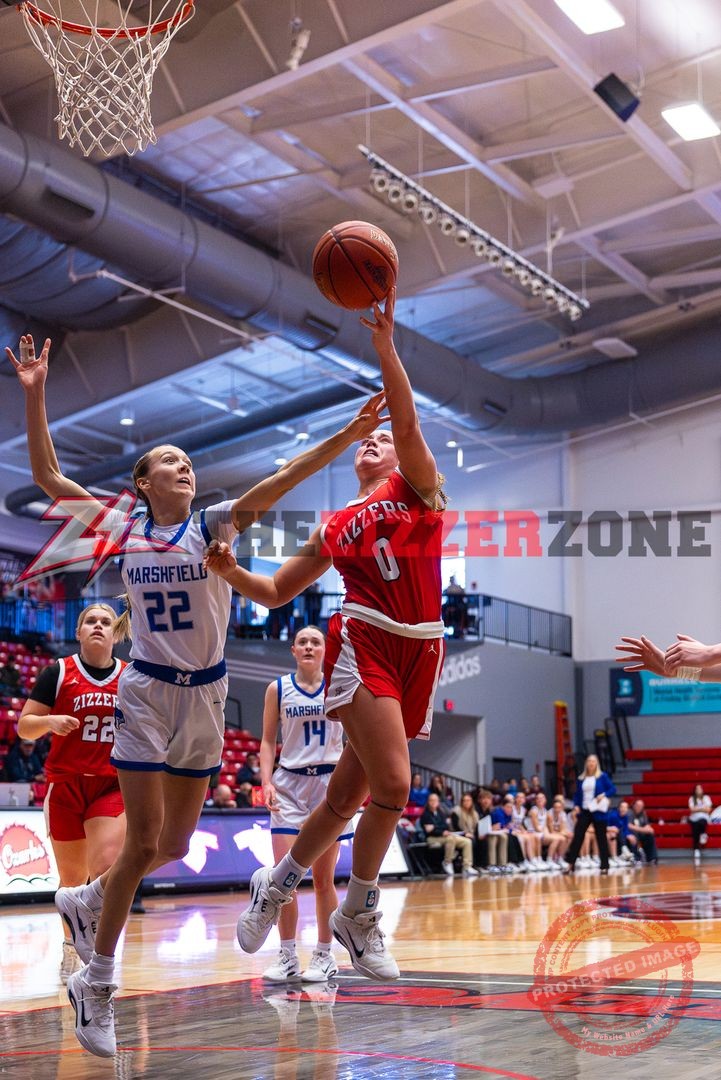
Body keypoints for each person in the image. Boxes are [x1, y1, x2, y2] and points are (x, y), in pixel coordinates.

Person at [8, 331, 387, 1058]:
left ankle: (90, 899)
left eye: (188, 461)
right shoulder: (124, 527)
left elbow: (284, 477)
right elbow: (49, 475)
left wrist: (346, 435)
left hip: (206, 698)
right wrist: (35, 393)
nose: (185, 466)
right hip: (147, 692)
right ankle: (97, 982)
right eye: (170, 461)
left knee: (175, 844)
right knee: (143, 839)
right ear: (143, 482)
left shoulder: (214, 523)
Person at [205, 287, 447, 982]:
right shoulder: (336, 524)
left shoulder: (418, 487)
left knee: (345, 797)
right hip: (364, 638)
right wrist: (228, 569)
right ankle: (358, 912)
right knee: (394, 785)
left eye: (383, 439)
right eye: (367, 441)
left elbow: (404, 418)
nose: (374, 441)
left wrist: (385, 348)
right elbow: (278, 590)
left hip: (422, 645)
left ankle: (275, 884)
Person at [16, 603, 125, 984]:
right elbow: (24, 727)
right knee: (72, 880)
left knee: (106, 866)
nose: (98, 626)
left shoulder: (130, 677)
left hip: (110, 784)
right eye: (90, 621)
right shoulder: (58, 672)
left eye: (106, 622)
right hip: (65, 784)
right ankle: (70, 947)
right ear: (78, 632)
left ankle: (102, 953)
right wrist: (49, 721)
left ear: (116, 633)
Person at [259, 624, 348, 984]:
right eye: (302, 642)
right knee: (283, 880)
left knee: (324, 880)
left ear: (325, 650)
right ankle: (287, 956)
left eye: (315, 642)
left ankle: (325, 955)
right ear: (293, 650)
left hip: (329, 785)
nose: (309, 646)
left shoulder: (339, 685)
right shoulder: (277, 689)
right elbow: (268, 740)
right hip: (289, 786)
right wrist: (266, 781)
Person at [564, 754, 616, 873]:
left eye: (593, 761)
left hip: (598, 810)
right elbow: (577, 795)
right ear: (586, 763)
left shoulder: (602, 776)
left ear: (596, 763)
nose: (591, 763)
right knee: (578, 836)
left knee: (601, 837)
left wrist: (604, 795)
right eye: (589, 761)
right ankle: (570, 864)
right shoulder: (581, 778)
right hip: (585, 810)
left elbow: (612, 789)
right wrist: (576, 805)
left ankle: (604, 865)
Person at [420, 792, 477, 877]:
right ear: (428, 802)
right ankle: (447, 862)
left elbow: (445, 825)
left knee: (467, 841)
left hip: (444, 836)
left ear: (438, 802)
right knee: (450, 838)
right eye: (431, 800)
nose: (433, 802)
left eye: (435, 800)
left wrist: (435, 826)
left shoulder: (441, 812)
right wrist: (440, 830)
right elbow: (429, 831)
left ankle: (467, 866)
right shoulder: (425, 814)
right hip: (432, 838)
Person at [451, 792, 482, 868]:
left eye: (468, 800)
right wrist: (465, 834)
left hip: (471, 834)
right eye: (464, 800)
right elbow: (455, 827)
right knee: (472, 841)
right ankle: (470, 864)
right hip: (458, 834)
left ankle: (481, 864)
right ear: (461, 802)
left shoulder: (475, 813)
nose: (466, 802)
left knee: (482, 840)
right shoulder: (456, 811)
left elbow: (476, 827)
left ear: (471, 802)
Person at [629, 798, 658, 864]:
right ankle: (636, 858)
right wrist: (642, 829)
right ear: (634, 805)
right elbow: (629, 826)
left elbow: (648, 826)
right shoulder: (630, 813)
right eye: (638, 806)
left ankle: (652, 858)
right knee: (634, 836)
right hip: (632, 834)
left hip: (641, 834)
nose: (639, 808)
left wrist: (646, 829)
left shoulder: (643, 814)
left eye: (641, 806)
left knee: (650, 835)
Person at [688, 784, 713, 864]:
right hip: (694, 818)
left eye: (700, 789)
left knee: (702, 821)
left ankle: (702, 834)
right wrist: (702, 808)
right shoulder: (692, 798)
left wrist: (698, 809)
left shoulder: (706, 798)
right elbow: (692, 809)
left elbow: (708, 809)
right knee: (695, 827)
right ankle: (696, 849)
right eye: (697, 789)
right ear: (695, 791)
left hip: (703, 817)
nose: (699, 790)